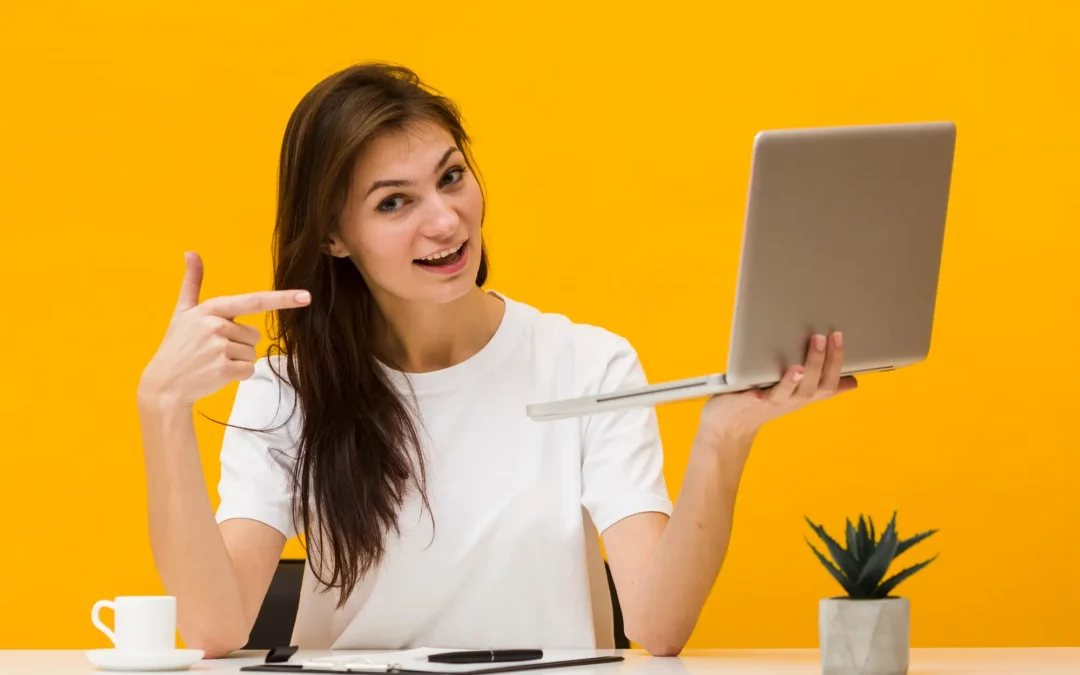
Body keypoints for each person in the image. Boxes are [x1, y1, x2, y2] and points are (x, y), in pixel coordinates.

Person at [137, 62, 856, 659]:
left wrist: (724, 437)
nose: (445, 220)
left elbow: (659, 626)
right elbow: (214, 629)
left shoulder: (588, 362)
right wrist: (162, 408)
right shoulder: (290, 388)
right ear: (333, 236)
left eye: (451, 177)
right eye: (394, 203)